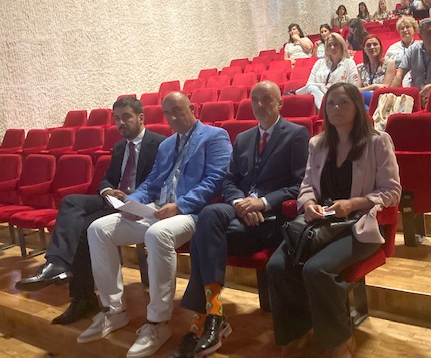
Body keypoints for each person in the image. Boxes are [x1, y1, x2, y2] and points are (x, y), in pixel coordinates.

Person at [78, 92, 233, 358]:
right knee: (98, 229)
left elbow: (215, 180)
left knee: (157, 234)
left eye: (178, 111)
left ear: (193, 109)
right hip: (158, 209)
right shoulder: (167, 144)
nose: (172, 118)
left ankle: (157, 323)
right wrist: (133, 202)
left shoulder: (215, 136)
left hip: (193, 213)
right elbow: (151, 182)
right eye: (167, 113)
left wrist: (180, 205)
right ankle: (113, 311)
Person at [172, 81, 310, 358]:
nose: (259, 104)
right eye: (254, 99)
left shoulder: (296, 134)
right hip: (240, 210)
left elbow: (301, 184)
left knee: (201, 237)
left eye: (266, 99)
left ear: (280, 103)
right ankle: (213, 315)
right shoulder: (244, 138)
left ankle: (202, 322)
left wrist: (263, 202)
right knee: (209, 214)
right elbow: (229, 180)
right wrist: (239, 203)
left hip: (272, 218)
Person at [266, 82, 401, 357]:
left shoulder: (377, 141)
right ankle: (296, 331)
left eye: (343, 103)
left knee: (317, 270)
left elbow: (392, 192)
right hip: (319, 224)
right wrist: (309, 204)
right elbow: (306, 186)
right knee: (276, 265)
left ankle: (339, 339)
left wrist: (352, 204)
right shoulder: (317, 143)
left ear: (357, 107)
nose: (336, 108)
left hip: (359, 225)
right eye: (331, 103)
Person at [15, 97, 165, 326]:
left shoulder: (159, 143)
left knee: (82, 228)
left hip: (140, 204)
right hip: (113, 201)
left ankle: (83, 299)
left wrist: (133, 197)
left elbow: (161, 181)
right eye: (117, 118)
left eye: (126, 117)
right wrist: (107, 191)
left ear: (141, 118)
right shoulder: (119, 147)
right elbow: (106, 179)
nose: (121, 123)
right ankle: (56, 264)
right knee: (71, 201)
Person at [296, 32, 358, 110]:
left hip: (339, 97)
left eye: (335, 44)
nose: (332, 47)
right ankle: (326, 109)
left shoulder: (349, 63)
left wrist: (331, 88)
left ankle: (326, 109)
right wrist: (322, 87)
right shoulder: (319, 63)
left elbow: (353, 87)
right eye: (329, 45)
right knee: (312, 88)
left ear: (342, 45)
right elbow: (309, 84)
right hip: (318, 96)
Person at [356, 34, 395, 107]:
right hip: (365, 99)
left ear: (380, 46)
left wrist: (367, 89)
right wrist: (373, 86)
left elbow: (385, 87)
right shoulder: (360, 68)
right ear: (364, 49)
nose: (372, 47)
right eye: (368, 45)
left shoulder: (389, 63)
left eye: (375, 44)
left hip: (382, 99)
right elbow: (357, 89)